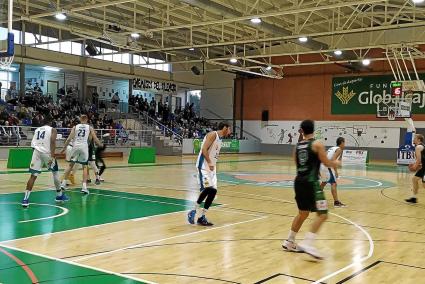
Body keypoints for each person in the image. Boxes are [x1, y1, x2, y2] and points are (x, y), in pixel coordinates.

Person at [282, 120, 340, 259]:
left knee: (303, 213)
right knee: (323, 214)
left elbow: (297, 164)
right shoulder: (317, 144)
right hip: (311, 182)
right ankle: (308, 243)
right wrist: (336, 163)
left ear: (302, 130)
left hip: (299, 181)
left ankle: (289, 241)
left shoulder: (297, 146)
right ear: (314, 129)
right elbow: (326, 163)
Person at [187, 121, 232, 226]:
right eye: (229, 129)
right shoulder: (213, 134)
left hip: (212, 168)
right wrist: (210, 162)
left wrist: (213, 163)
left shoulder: (220, 139)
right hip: (204, 166)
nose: (230, 131)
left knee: (213, 191)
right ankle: (193, 211)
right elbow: (203, 149)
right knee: (208, 189)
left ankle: (202, 217)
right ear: (225, 128)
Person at [22, 118, 69, 208]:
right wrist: (52, 155)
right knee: (55, 172)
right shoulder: (52, 129)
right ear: (50, 123)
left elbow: (33, 144)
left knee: (33, 176)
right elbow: (52, 142)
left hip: (36, 152)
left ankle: (25, 199)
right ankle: (59, 195)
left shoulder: (37, 130)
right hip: (46, 153)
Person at [60, 114, 102, 194]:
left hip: (75, 147)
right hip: (84, 147)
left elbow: (69, 138)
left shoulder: (75, 127)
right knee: (85, 167)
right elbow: (94, 138)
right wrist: (100, 145)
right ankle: (84, 187)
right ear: (87, 120)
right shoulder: (89, 127)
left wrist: (64, 148)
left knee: (70, 165)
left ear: (80, 119)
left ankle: (63, 183)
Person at [320, 137, 346, 207]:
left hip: (322, 166)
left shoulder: (332, 148)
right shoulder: (339, 149)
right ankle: (336, 202)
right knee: (333, 183)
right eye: (344, 143)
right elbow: (333, 160)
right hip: (327, 167)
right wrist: (336, 171)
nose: (344, 144)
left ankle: (316, 198)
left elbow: (325, 156)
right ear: (342, 142)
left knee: (324, 182)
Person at [406, 134, 425, 203]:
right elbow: (422, 160)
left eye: (415, 138)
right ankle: (414, 198)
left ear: (419, 140)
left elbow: (419, 159)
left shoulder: (418, 147)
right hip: (423, 167)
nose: (413, 139)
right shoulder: (421, 146)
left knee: (424, 185)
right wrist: (418, 165)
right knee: (414, 179)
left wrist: (414, 166)